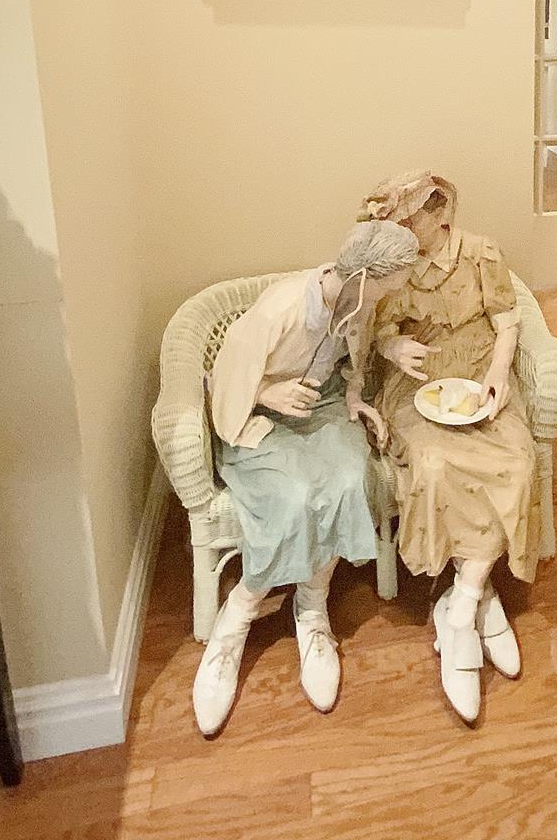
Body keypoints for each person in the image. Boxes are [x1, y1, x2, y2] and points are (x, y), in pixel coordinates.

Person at [193, 219, 420, 738]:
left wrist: (356, 401)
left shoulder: (358, 306)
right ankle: (238, 615)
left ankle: (313, 607)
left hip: (321, 409)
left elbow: (350, 364)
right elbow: (225, 376)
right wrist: (265, 394)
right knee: (294, 496)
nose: (397, 292)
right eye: (392, 283)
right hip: (257, 415)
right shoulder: (282, 308)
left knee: (349, 479)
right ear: (364, 278)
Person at [358, 170, 541, 724]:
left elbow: (507, 324)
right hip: (418, 381)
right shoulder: (397, 262)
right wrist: (393, 348)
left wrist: (499, 373)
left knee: (517, 462)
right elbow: (375, 331)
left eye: (412, 219)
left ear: (441, 217)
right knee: (434, 463)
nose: (403, 228)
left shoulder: (483, 254)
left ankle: (460, 606)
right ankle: (481, 598)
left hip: (479, 373)